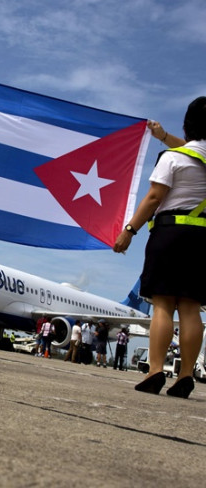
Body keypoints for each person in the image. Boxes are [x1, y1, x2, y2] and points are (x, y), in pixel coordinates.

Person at [114, 97, 206, 399]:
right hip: (202, 238)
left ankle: (155, 371)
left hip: (170, 234)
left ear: (187, 125)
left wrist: (129, 230)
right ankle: (186, 375)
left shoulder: (173, 158)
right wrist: (165, 136)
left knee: (164, 304)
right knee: (191, 307)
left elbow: (154, 198)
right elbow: (195, 149)